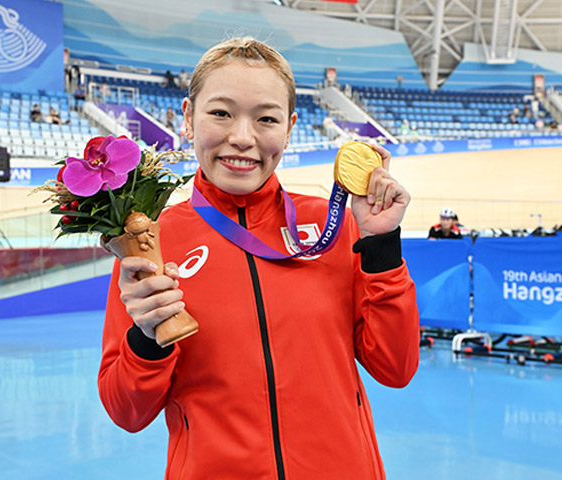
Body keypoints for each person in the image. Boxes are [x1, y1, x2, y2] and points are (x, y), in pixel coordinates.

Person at [99, 37, 419, 480]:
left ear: (288, 128)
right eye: (221, 113)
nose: (242, 138)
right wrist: (147, 339)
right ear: (188, 117)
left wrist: (381, 246)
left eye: (265, 118)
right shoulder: (151, 242)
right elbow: (125, 411)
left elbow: (395, 367)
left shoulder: (332, 226)